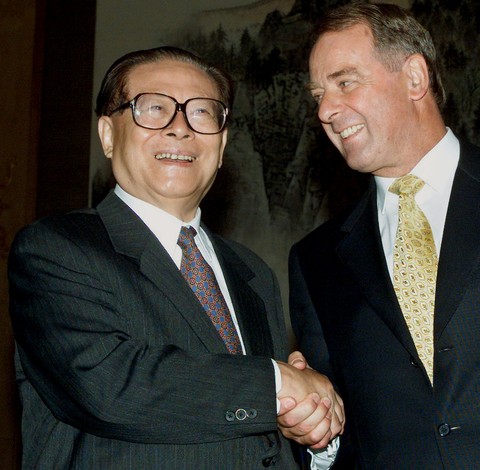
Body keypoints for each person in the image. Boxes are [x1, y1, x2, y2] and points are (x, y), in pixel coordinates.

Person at [9, 46, 344, 469]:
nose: (180, 129)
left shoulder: (252, 273)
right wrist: (278, 382)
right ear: (108, 135)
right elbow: (109, 385)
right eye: (154, 109)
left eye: (202, 112)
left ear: (221, 145)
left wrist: (313, 428)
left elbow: (254, 427)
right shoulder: (56, 249)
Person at [289, 3, 480, 469]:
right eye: (318, 94)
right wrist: (315, 432)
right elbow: (339, 433)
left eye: (344, 82)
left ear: (414, 78)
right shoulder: (316, 260)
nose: (325, 109)